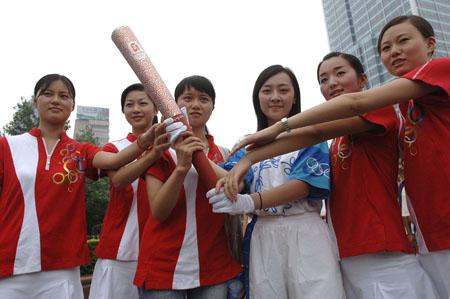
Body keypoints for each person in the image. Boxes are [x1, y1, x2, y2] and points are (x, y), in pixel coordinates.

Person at [221, 15, 450, 299]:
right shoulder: (397, 109)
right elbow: (313, 132)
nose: (332, 83)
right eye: (323, 79)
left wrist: (278, 129)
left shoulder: (388, 107)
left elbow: (335, 115)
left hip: (383, 249)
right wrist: (248, 159)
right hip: (380, 244)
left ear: (430, 44)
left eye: (403, 41)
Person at [0, 74, 164, 299]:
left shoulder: (81, 150)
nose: (56, 100)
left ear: (72, 105)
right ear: (35, 102)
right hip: (11, 264)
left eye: (63, 95)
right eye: (48, 94)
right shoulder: (7, 146)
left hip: (62, 268)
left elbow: (113, 162)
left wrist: (146, 143)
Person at [208, 65, 345, 299]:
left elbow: (303, 186)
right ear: (257, 98)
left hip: (306, 231)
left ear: (294, 98)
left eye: (283, 90)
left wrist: (250, 202)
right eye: (267, 91)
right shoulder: (247, 143)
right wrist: (192, 150)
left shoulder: (310, 135)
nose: (275, 97)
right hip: (263, 234)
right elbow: (233, 182)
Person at [134, 75, 242, 299]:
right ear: (173, 105)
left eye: (204, 99)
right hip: (163, 268)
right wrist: (182, 167)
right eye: (187, 98)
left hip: (213, 266)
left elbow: (237, 193)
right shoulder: (159, 151)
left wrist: (199, 156)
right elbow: (159, 212)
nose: (195, 104)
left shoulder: (223, 154)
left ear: (212, 107)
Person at [89, 83, 171, 299]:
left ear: (156, 110)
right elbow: (118, 181)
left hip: (160, 249)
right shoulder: (113, 148)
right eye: (129, 105)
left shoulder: (171, 150)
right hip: (119, 249)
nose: (135, 109)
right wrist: (151, 154)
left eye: (143, 103)